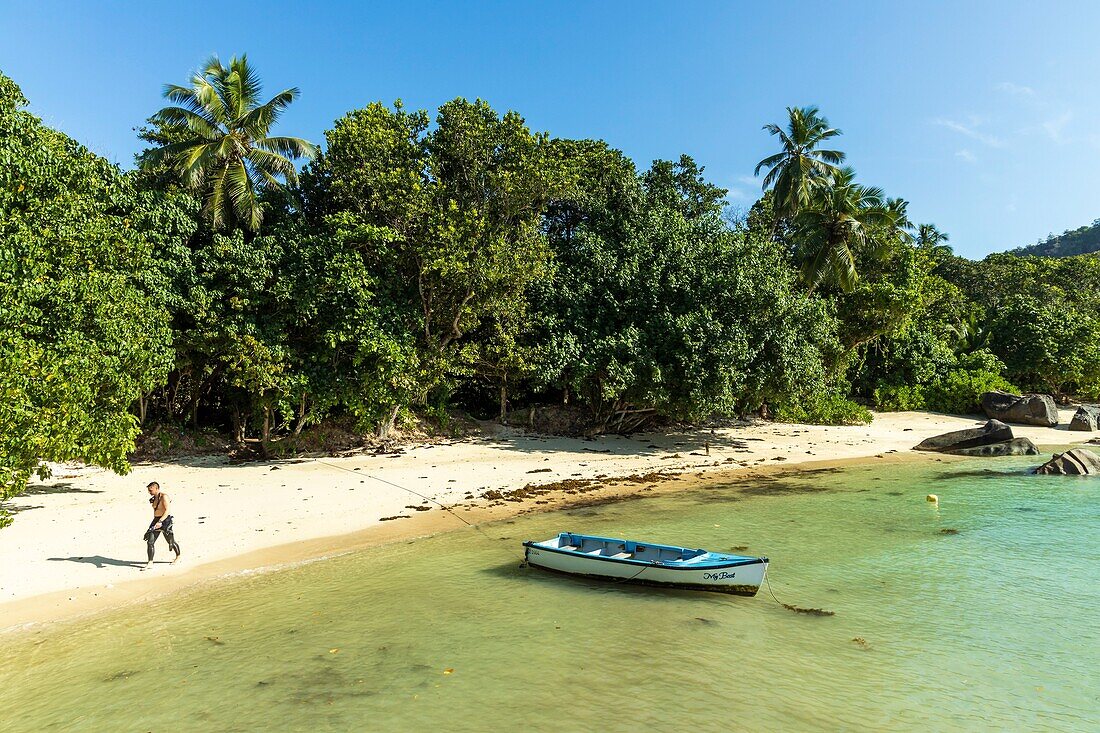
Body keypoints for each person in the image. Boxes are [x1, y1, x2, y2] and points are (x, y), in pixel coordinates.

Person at [143, 481, 181, 570]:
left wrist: (160, 521)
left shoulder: (164, 496)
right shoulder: (154, 498)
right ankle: (150, 562)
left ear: (157, 488)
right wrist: (156, 521)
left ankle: (178, 556)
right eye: (148, 490)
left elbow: (167, 510)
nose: (149, 492)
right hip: (155, 519)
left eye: (151, 490)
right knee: (150, 541)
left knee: (170, 541)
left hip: (165, 520)